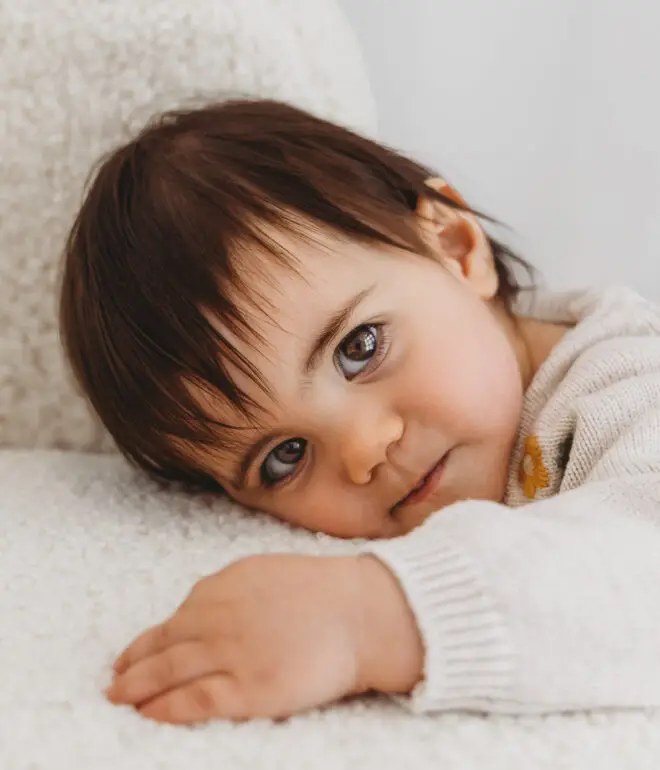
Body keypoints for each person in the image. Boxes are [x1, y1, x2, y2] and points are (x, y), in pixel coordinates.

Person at [59, 99, 660, 725]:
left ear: (455, 249)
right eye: (285, 457)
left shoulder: (630, 381)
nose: (361, 452)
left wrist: (371, 618)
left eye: (360, 348)